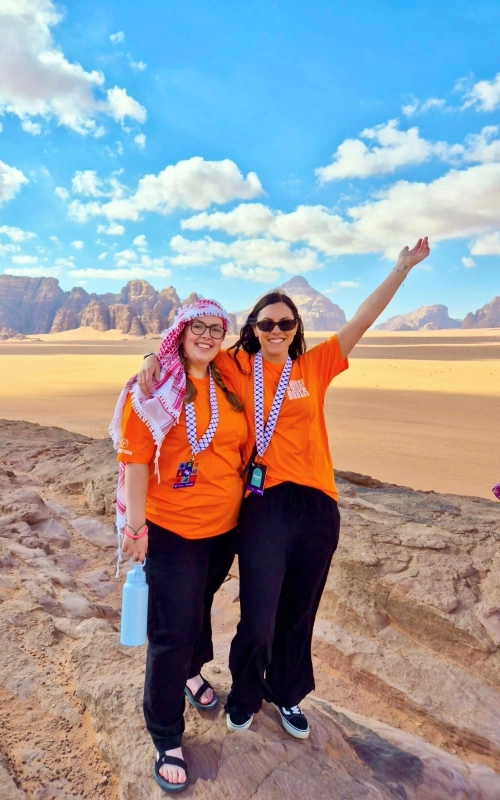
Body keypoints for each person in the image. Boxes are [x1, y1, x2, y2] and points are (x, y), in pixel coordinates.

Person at [137, 238, 431, 740]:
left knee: (300, 609)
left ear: (296, 329)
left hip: (317, 503)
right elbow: (189, 349)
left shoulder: (315, 365)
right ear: (253, 327)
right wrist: (151, 355)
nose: (276, 330)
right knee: (259, 612)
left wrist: (401, 268)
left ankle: (288, 693)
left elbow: (363, 319)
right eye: (266, 323)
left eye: (286, 323)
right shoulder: (235, 365)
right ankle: (246, 693)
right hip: (264, 501)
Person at [109, 299, 247, 793]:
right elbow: (136, 462)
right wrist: (136, 528)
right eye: (197, 327)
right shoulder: (152, 389)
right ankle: (166, 734)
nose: (207, 336)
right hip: (173, 530)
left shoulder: (227, 376)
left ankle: (191, 674)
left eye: (217, 329)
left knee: (199, 606)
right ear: (180, 331)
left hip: (224, 529)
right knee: (170, 630)